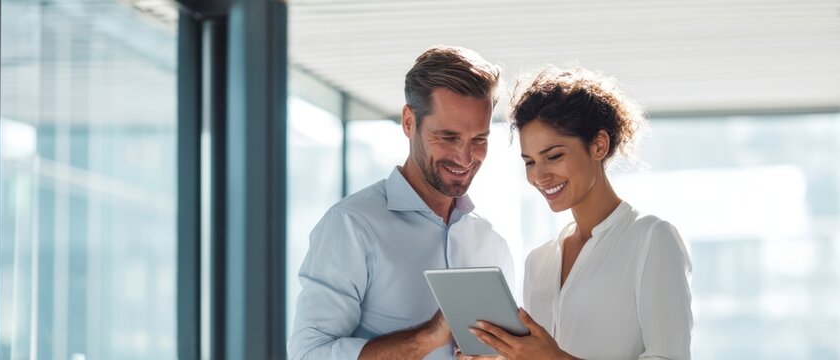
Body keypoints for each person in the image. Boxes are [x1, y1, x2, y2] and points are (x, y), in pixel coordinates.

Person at [288, 46, 516, 360]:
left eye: (479, 139)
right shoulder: (353, 225)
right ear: (409, 122)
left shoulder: (491, 243)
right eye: (448, 137)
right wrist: (425, 339)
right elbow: (308, 354)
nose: (465, 158)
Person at [467, 66, 692, 359]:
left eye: (554, 156)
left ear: (599, 145)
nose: (540, 176)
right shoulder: (539, 262)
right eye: (530, 162)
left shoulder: (651, 239)